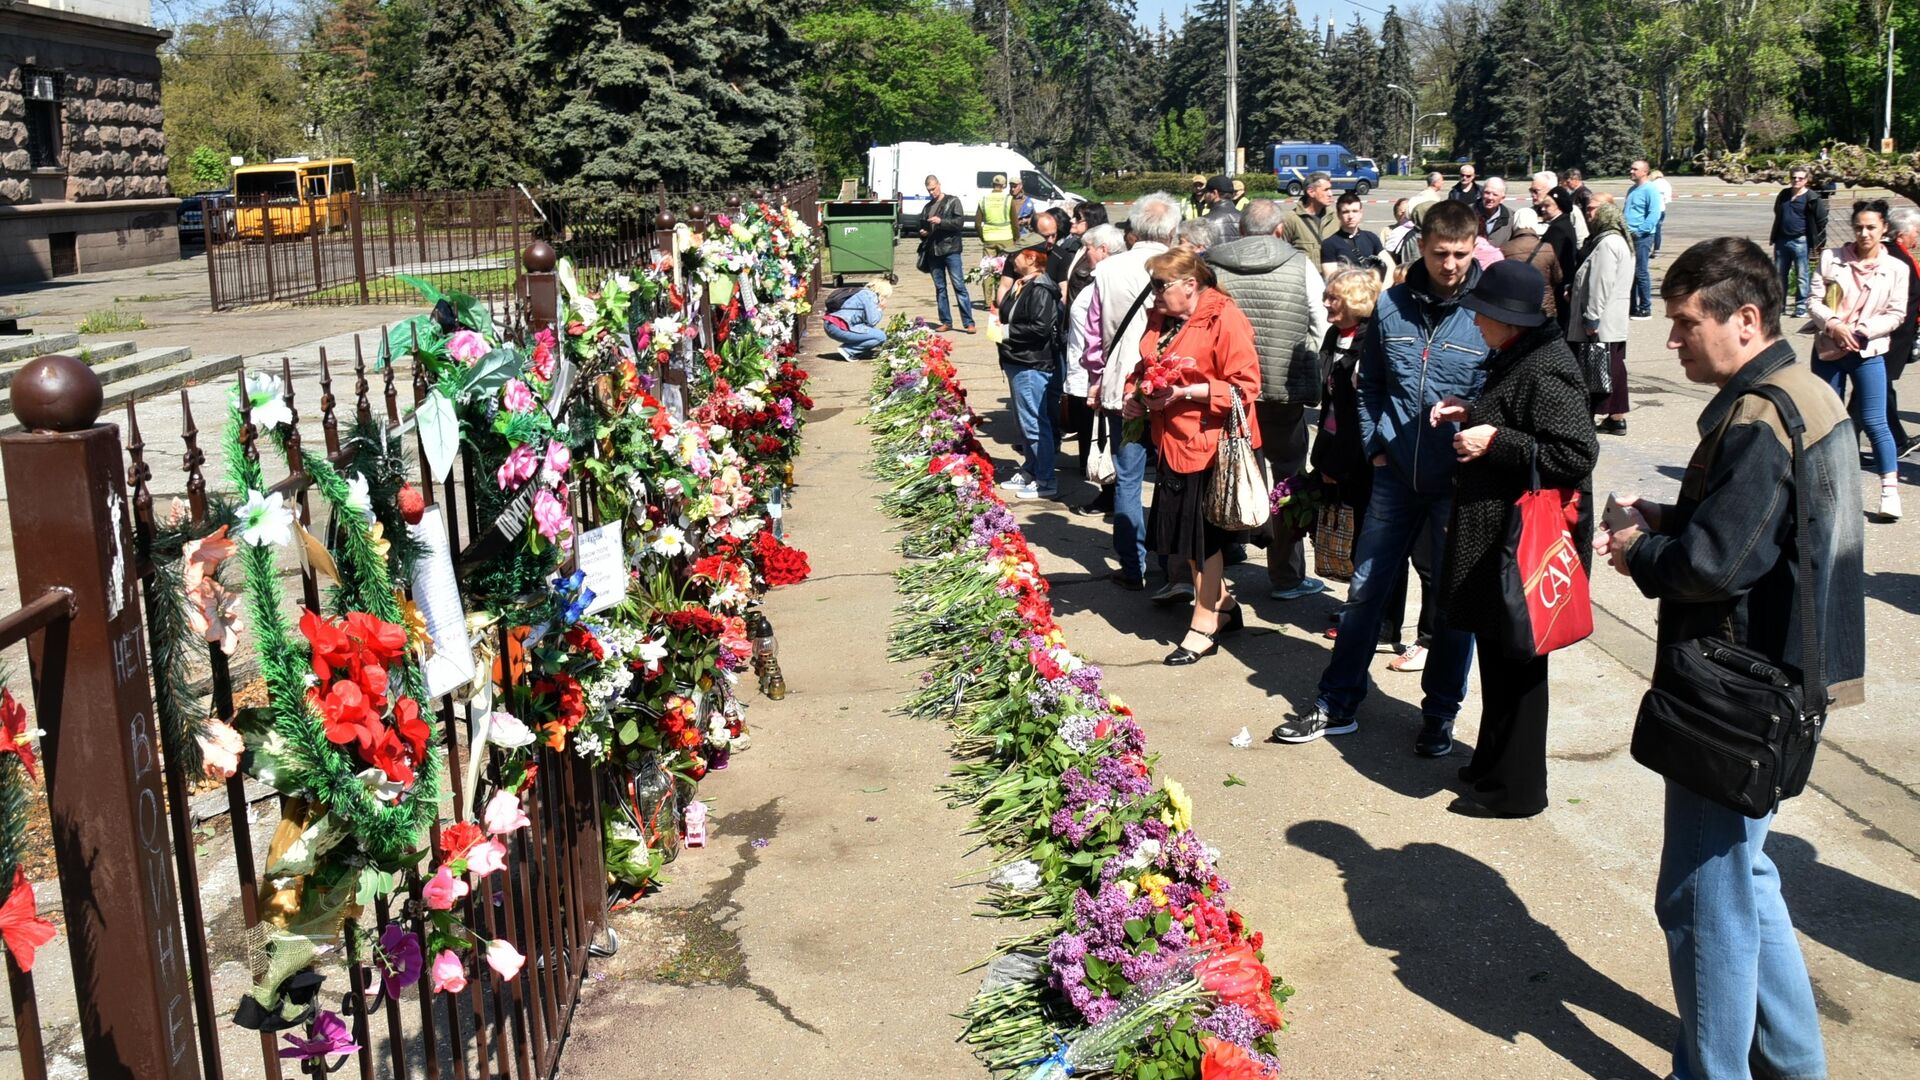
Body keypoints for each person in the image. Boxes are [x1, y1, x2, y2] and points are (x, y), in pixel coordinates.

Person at [1595, 236, 1863, 1080]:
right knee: (1747, 880)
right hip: (1780, 680)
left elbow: (1719, 565)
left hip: (1738, 690)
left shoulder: (1762, 413)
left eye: (1683, 325)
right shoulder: (1797, 393)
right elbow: (1768, 535)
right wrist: (1673, 517)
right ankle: (1794, 1064)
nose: (1671, 342)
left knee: (1702, 900)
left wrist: (1640, 548)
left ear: (1745, 319)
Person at [1272, 199, 1487, 754]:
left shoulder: (1488, 311)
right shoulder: (1391, 305)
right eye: (1441, 253)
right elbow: (1370, 386)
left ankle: (1440, 715)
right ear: (1424, 245)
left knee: (1453, 604)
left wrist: (1480, 430)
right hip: (1393, 477)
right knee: (1365, 591)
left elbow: (1505, 394)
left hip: (1457, 483)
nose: (1451, 265)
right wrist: (1376, 446)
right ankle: (1336, 703)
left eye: (1462, 254)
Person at [1429, 259, 1597, 818]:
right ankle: (1492, 764)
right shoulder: (1522, 354)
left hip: (1519, 544)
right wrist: (1472, 412)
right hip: (1498, 537)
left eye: (1484, 315)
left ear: (1512, 320)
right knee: (1500, 662)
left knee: (1519, 668)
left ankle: (1517, 790)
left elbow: (1574, 454)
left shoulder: (1547, 365)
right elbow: (1521, 418)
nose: (1476, 323)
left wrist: (1494, 441)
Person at [1122, 248, 1263, 664]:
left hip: (1212, 444)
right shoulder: (1161, 316)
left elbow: (1245, 387)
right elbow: (1146, 365)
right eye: (1152, 285)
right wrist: (1136, 395)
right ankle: (1224, 605)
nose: (1154, 294)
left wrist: (1183, 392)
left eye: (1160, 286)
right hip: (1171, 441)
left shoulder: (1224, 318)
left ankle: (1204, 624)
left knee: (1204, 541)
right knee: (1184, 538)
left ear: (1191, 284)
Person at [1310, 268, 1437, 668]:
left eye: (1334, 298)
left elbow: (1373, 399)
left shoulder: (1372, 338)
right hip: (1345, 451)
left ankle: (1405, 631)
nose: (1327, 304)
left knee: (1402, 550)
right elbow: (1331, 404)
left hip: (1378, 456)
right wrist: (1325, 456)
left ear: (1355, 302)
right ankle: (1371, 615)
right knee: (1366, 544)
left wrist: (1372, 450)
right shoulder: (1336, 335)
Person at [1208, 198, 1331, 602]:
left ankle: (1225, 554)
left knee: (1228, 470)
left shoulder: (1213, 263)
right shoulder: (1300, 265)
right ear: (1280, 230)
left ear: (1241, 231)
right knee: (1288, 478)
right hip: (1285, 387)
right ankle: (1286, 575)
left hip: (1228, 389)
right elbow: (1320, 321)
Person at [1086, 192, 1180, 585]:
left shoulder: (1107, 270)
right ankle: (1172, 563)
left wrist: (1095, 377)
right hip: (1171, 382)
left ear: (1132, 230)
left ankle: (1132, 565)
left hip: (1122, 382)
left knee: (1128, 475)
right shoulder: (1183, 268)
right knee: (1174, 475)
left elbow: (1093, 334)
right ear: (1172, 230)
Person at [1809, 199, 1911, 520]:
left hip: (1868, 351)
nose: (1864, 233)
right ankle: (1822, 492)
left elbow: (1896, 313)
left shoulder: (1897, 268)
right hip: (1828, 349)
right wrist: (1834, 324)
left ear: (1884, 229)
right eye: (1859, 227)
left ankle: (1889, 492)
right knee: (1825, 422)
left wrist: (1864, 332)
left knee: (1875, 421)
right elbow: (1814, 299)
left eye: (1871, 227)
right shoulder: (1831, 259)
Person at [997, 248, 1064, 501]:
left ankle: (1046, 479)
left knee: (1035, 423)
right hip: (1018, 360)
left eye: (1016, 255)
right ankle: (1031, 469)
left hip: (1031, 363)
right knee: (1025, 423)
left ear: (1032, 259)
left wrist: (1005, 332)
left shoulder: (1041, 289)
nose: (1011, 260)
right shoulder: (1023, 284)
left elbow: (1039, 328)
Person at [1064, 224, 1128, 483]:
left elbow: (1103, 332)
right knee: (1093, 432)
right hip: (1086, 370)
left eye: (1087, 248)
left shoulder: (1111, 282)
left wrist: (1096, 374)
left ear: (1103, 250)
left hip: (1097, 373)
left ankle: (1107, 491)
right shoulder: (1098, 280)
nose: (1084, 253)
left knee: (1103, 435)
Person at [1571, 200, 1636, 435]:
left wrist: (1592, 317)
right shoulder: (1621, 241)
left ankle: (1592, 415)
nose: (1591, 218)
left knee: (1596, 369)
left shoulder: (1607, 243)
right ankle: (1616, 417)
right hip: (1614, 319)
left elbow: (1601, 282)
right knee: (1614, 367)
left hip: (1603, 321)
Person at [1881, 206, 1920, 457]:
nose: (1918, 236)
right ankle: (1895, 441)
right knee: (1874, 391)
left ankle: (1898, 439)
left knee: (1881, 388)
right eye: (1916, 231)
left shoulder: (1901, 254)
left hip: (1897, 335)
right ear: (1902, 234)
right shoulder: (1895, 257)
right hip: (1891, 335)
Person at [916, 175, 976, 334]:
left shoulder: (952, 201)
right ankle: (946, 321)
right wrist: (923, 232)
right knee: (940, 288)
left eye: (934, 189)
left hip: (951, 250)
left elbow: (959, 223)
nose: (932, 193)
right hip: (933, 251)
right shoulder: (927, 207)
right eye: (929, 190)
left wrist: (940, 221)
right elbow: (922, 226)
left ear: (939, 185)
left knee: (959, 286)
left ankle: (969, 322)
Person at [1769, 166, 1825, 319]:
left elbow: (1821, 219)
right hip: (1782, 240)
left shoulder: (1812, 197)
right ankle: (1780, 306)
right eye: (1794, 177)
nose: (1796, 180)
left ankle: (1801, 307)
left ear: (1806, 180)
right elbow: (1777, 211)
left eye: (1800, 178)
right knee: (1780, 275)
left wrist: (1816, 238)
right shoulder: (1784, 194)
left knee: (1802, 275)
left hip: (1801, 240)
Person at [1498, 207, 1561, 322]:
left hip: (1515, 306)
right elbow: (1558, 277)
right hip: (1543, 306)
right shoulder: (1547, 248)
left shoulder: (1504, 248)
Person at [1626, 159, 1662, 319]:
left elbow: (1654, 213)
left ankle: (1645, 308)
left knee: (1641, 272)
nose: (1631, 171)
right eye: (1631, 169)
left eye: (1635, 169)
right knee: (1630, 273)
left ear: (1644, 172)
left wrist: (1641, 231)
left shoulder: (1650, 190)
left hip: (1642, 237)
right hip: (1628, 236)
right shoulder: (1632, 189)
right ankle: (1632, 306)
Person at [818, 279, 890, 360]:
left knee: (873, 332)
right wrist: (880, 309)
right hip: (839, 327)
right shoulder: (869, 296)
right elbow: (872, 321)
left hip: (831, 324)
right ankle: (849, 351)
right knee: (881, 336)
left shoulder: (860, 292)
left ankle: (853, 349)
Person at [1321, 191, 1385, 271]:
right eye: (1345, 212)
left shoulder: (1371, 238)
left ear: (1361, 213)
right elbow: (1331, 278)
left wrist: (1384, 284)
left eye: (1355, 211)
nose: (1350, 216)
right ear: (1338, 214)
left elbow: (1390, 266)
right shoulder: (1329, 244)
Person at [1282, 172, 1338, 262]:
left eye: (1330, 189)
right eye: (1326, 190)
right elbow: (1282, 252)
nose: (1330, 194)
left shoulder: (1336, 217)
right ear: (1311, 192)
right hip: (1305, 274)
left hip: (1332, 275)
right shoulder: (1291, 219)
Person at [979, 174, 1018, 255]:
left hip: (989, 238)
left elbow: (977, 224)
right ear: (1004, 186)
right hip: (1006, 238)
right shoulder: (1009, 199)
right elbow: (1015, 223)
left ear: (992, 184)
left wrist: (982, 237)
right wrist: (1016, 238)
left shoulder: (983, 199)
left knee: (989, 265)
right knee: (1006, 265)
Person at [1200, 175, 1243, 243]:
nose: (1204, 196)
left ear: (1214, 193)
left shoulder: (1204, 222)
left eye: (1206, 192)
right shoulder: (1244, 218)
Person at [1479, 177, 1512, 244]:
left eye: (1495, 194)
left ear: (1502, 199)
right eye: (1487, 193)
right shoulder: (1468, 213)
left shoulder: (1511, 218)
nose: (1490, 197)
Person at [1650, 169, 1674, 253]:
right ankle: (1657, 249)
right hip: (1662, 209)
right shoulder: (1667, 184)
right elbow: (1668, 199)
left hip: (1653, 210)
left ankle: (1648, 248)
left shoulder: (1652, 184)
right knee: (1658, 230)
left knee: (1650, 230)